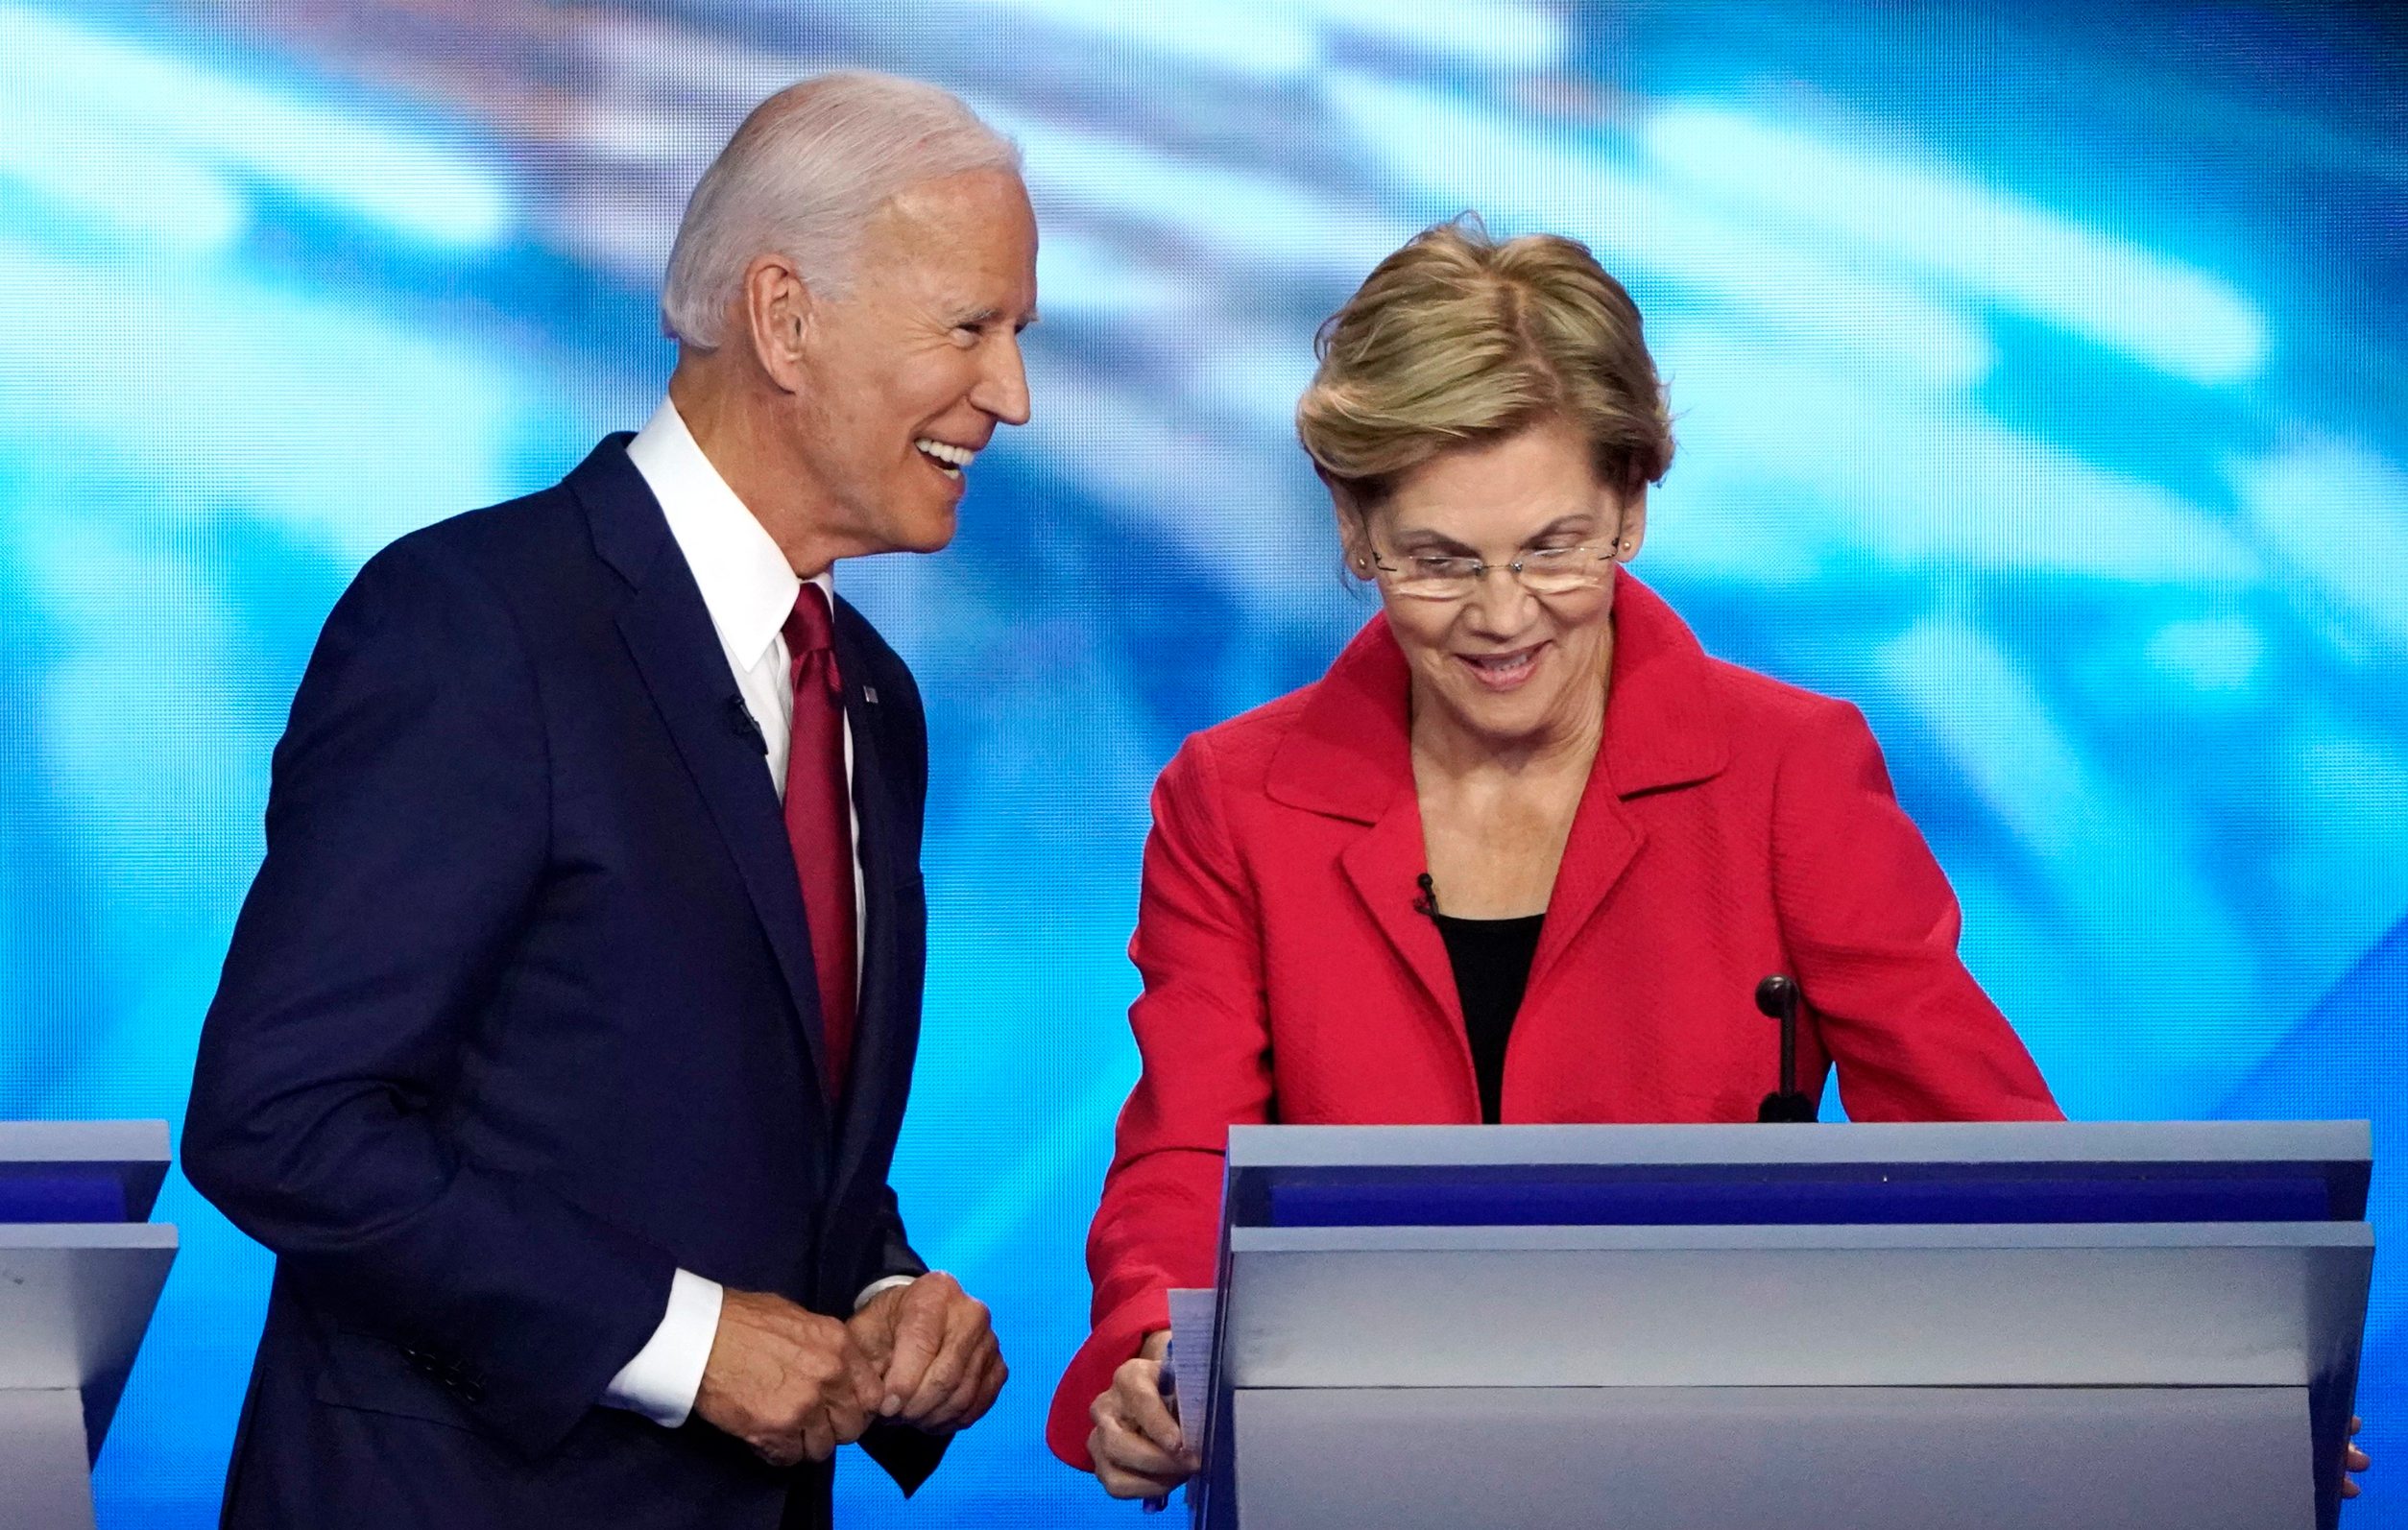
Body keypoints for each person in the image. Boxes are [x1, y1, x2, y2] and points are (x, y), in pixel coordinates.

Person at [1048, 217, 2069, 1496]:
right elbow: (1189, 1149)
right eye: (1436, 560)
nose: (1501, 615)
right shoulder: (1233, 800)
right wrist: (1154, 1341)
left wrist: (2165, 1383)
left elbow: (1978, 1146)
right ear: (1356, 530)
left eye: (1552, 546)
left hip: (1724, 1478)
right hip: (1353, 1475)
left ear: (1635, 505)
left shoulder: (1789, 769)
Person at [183, 72, 1034, 1529]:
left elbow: (726, 1131)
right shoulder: (476, 625)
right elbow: (282, 1116)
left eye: (1017, 337)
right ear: (784, 318)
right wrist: (693, 1344)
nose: (1011, 395)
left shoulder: (870, 695)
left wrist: (883, 1292)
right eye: (972, 329)